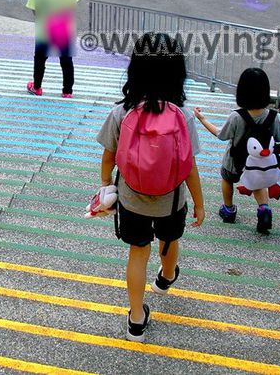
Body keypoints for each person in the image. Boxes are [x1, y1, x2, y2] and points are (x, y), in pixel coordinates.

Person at [96, 34, 205, 342]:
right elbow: (191, 168)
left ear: (135, 70)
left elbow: (108, 157)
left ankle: (135, 319)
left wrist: (105, 187)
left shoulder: (122, 112)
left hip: (132, 200)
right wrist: (199, 203)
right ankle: (167, 277)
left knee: (137, 252)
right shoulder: (182, 117)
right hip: (171, 200)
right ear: (177, 73)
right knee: (168, 242)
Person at [194, 67, 280, 233]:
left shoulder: (236, 117)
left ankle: (228, 209)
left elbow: (220, 135)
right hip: (258, 164)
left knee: (227, 179)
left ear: (242, 92)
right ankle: (264, 210)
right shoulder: (272, 116)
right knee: (258, 184)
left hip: (235, 161)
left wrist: (202, 119)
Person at [25, 0, 82, 98]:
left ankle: (37, 87)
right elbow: (74, 1)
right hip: (63, 25)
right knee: (66, 60)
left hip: (46, 26)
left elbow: (35, 9)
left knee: (40, 58)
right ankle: (67, 91)